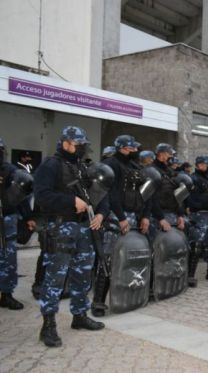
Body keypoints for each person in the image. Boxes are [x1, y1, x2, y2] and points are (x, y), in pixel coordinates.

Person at [34, 126, 108, 347]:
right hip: (61, 228)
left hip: (84, 229)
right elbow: (41, 196)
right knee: (55, 278)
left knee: (83, 275)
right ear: (65, 142)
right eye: (78, 144)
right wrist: (70, 202)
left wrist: (102, 213)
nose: (82, 148)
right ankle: (48, 325)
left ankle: (79, 316)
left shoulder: (80, 167)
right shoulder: (50, 165)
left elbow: (98, 192)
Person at [92, 135, 150, 317]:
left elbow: (142, 194)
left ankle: (130, 295)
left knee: (134, 257)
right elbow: (111, 194)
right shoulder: (111, 164)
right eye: (131, 148)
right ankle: (98, 302)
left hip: (133, 216)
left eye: (135, 148)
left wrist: (144, 216)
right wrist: (121, 217)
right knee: (108, 258)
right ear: (122, 148)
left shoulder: (134, 166)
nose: (134, 151)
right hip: (115, 216)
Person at [0, 139, 35, 310]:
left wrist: (28, 217)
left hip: (8, 219)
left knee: (9, 258)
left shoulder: (10, 170)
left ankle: (6, 294)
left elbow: (21, 195)